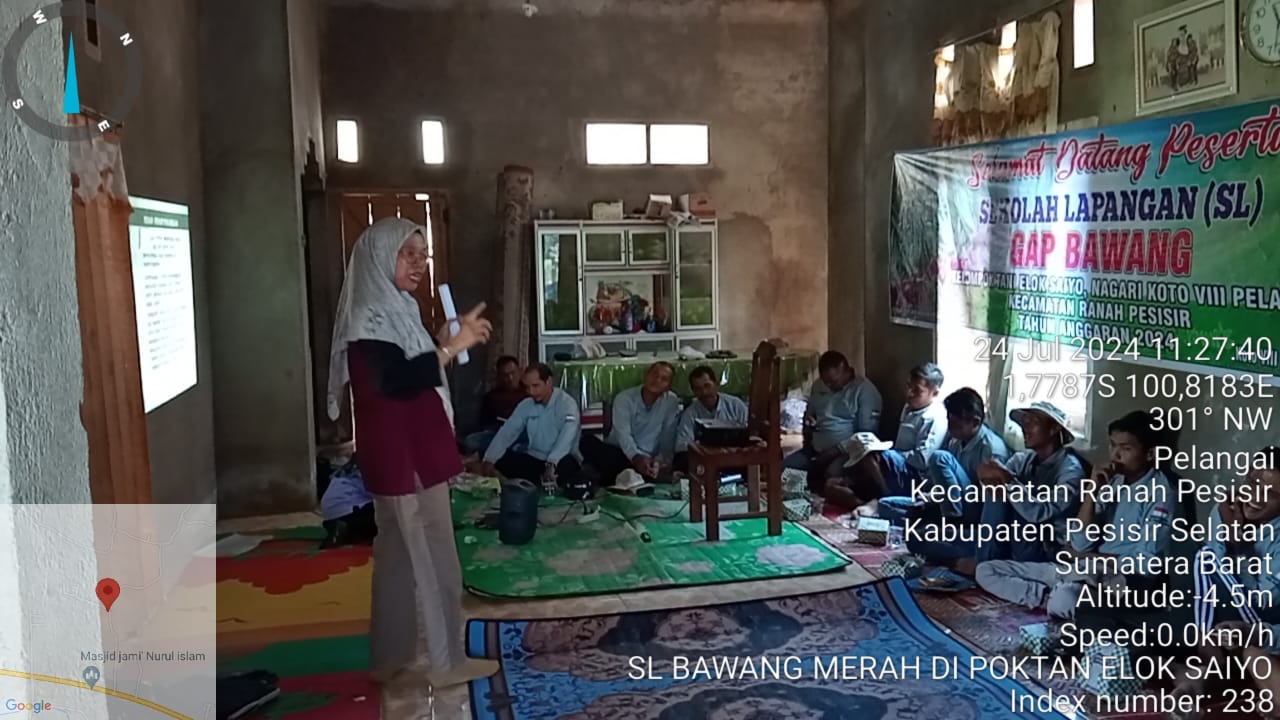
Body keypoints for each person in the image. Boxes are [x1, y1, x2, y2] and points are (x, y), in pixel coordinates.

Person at [325, 216, 497, 688]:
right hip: (406, 458)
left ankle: (390, 656)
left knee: (398, 559)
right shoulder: (370, 317)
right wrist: (448, 350)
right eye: (408, 254)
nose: (419, 264)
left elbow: (408, 363)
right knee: (435, 557)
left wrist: (444, 338)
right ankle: (447, 663)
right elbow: (392, 380)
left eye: (423, 254)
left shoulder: (394, 306)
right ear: (381, 258)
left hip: (410, 449)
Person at [975, 410, 1178, 618]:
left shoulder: (1162, 493)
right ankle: (1046, 598)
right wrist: (1091, 491)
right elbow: (1081, 542)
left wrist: (1084, 557)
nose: (1115, 455)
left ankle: (1057, 598)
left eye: (1125, 448)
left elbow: (1145, 565)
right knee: (986, 570)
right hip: (1082, 569)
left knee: (1067, 597)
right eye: (1112, 445)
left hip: (1119, 579)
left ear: (1150, 454)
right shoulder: (1114, 481)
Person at [891, 388, 1010, 568]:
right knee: (908, 531)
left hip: (975, 517)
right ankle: (950, 546)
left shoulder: (992, 449)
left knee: (939, 457)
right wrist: (928, 502)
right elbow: (945, 486)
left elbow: (994, 504)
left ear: (975, 421)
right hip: (954, 508)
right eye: (949, 421)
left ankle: (954, 533)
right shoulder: (956, 440)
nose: (950, 427)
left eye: (956, 424)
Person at [970, 401, 1084, 570]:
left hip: (1047, 548)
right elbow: (993, 484)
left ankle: (984, 563)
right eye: (1024, 422)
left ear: (1053, 429)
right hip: (1013, 538)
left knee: (1002, 494)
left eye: (1033, 422)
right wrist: (986, 474)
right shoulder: (1023, 459)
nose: (1025, 427)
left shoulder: (1071, 470)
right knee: (930, 540)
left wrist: (1008, 481)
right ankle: (985, 560)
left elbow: (1040, 512)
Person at [847, 363, 949, 513]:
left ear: (934, 393)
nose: (909, 393)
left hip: (917, 476)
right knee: (837, 484)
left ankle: (885, 496)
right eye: (909, 386)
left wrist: (892, 453)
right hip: (899, 465)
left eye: (917, 391)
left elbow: (922, 460)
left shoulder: (934, 418)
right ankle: (876, 501)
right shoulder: (909, 407)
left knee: (872, 456)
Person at [784, 351, 883, 492]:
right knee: (786, 469)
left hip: (847, 453)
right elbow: (810, 414)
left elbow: (866, 436)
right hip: (815, 450)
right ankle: (810, 489)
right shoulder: (819, 386)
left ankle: (820, 488)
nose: (829, 385)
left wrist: (836, 450)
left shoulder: (865, 391)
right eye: (826, 381)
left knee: (831, 474)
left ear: (845, 369)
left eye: (833, 381)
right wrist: (808, 429)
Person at [476, 364, 582, 488]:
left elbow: (567, 438)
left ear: (548, 382)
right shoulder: (526, 404)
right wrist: (490, 459)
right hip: (534, 458)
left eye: (536, 386)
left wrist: (552, 462)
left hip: (561, 459)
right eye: (527, 387)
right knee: (499, 458)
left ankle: (541, 479)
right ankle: (539, 479)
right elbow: (508, 431)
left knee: (566, 468)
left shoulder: (566, 404)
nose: (531, 392)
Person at [579, 362, 680, 483]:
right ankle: (638, 476)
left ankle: (631, 476)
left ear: (669, 386)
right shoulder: (624, 398)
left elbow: (668, 437)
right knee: (587, 442)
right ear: (646, 375)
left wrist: (659, 461)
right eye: (654, 374)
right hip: (622, 453)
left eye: (664, 379)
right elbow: (623, 435)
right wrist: (636, 458)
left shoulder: (672, 401)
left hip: (650, 458)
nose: (657, 380)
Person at [672, 366, 749, 473]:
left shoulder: (736, 405)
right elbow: (682, 446)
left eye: (707, 386)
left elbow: (750, 433)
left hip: (734, 460)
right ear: (693, 391)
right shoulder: (690, 413)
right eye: (698, 389)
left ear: (716, 384)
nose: (704, 392)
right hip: (705, 464)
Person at [461, 355, 525, 454]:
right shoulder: (491, 397)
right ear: (499, 376)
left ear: (520, 371)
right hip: (499, 434)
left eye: (513, 373)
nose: (510, 378)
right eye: (505, 375)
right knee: (471, 440)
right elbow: (484, 424)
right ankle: (513, 448)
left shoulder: (529, 392)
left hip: (523, 433)